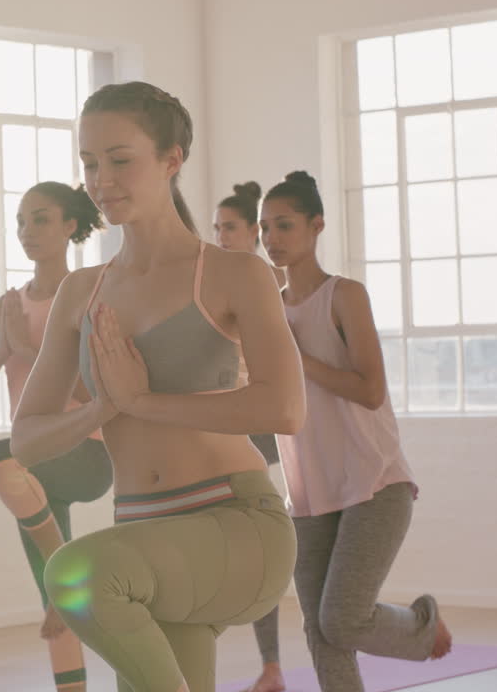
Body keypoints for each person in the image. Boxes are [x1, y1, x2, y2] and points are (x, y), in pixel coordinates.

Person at [11, 81, 304, 692]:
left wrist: (144, 402)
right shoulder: (80, 291)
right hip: (147, 535)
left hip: (236, 523)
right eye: (90, 163)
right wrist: (103, 405)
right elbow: (28, 442)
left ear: (172, 160)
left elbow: (285, 407)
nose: (100, 180)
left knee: (78, 574)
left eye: (121, 160)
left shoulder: (233, 273)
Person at [260, 171, 452, 692]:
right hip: (309, 489)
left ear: (316, 225)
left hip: (374, 481)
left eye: (284, 225)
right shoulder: (267, 310)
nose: (272, 239)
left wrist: (299, 361)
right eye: (264, 229)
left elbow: (371, 390)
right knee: (321, 634)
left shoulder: (344, 295)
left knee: (341, 618)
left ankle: (421, 626)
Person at [0, 181, 113, 692]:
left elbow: (96, 388)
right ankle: (63, 605)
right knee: (56, 603)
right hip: (33, 467)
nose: (27, 231)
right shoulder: (6, 306)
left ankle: (62, 577)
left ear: (70, 226)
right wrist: (8, 347)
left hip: (84, 455)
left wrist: (31, 348)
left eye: (40, 219)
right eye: (21, 220)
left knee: (1, 456)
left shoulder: (90, 293)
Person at [212, 180, 288, 692]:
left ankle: (272, 665)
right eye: (216, 228)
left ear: (254, 233)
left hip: (259, 428)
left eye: (230, 228)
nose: (220, 236)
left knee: (264, 546)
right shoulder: (210, 280)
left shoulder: (266, 282)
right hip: (223, 422)